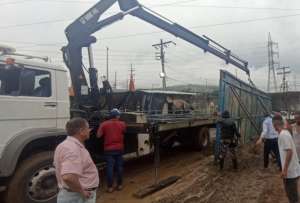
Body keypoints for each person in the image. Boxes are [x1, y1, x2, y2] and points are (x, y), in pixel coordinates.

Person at [54, 118, 99, 203]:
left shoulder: (64, 145)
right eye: (88, 128)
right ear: (81, 131)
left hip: (71, 193)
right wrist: (82, 192)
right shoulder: (73, 149)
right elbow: (68, 177)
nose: (89, 130)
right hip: (78, 196)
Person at [97, 108, 126, 193]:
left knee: (110, 168)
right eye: (119, 115)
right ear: (117, 116)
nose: (119, 117)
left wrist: (101, 127)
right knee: (119, 167)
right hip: (119, 149)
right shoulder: (122, 124)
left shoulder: (104, 124)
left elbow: (98, 135)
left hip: (109, 150)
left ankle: (110, 187)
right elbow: (124, 131)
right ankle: (119, 185)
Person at [273, 115, 300, 203]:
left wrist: (284, 170)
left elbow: (289, 152)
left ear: (274, 125)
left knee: (292, 195)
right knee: (292, 193)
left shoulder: (283, 135)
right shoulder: (285, 133)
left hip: (290, 171)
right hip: (290, 170)